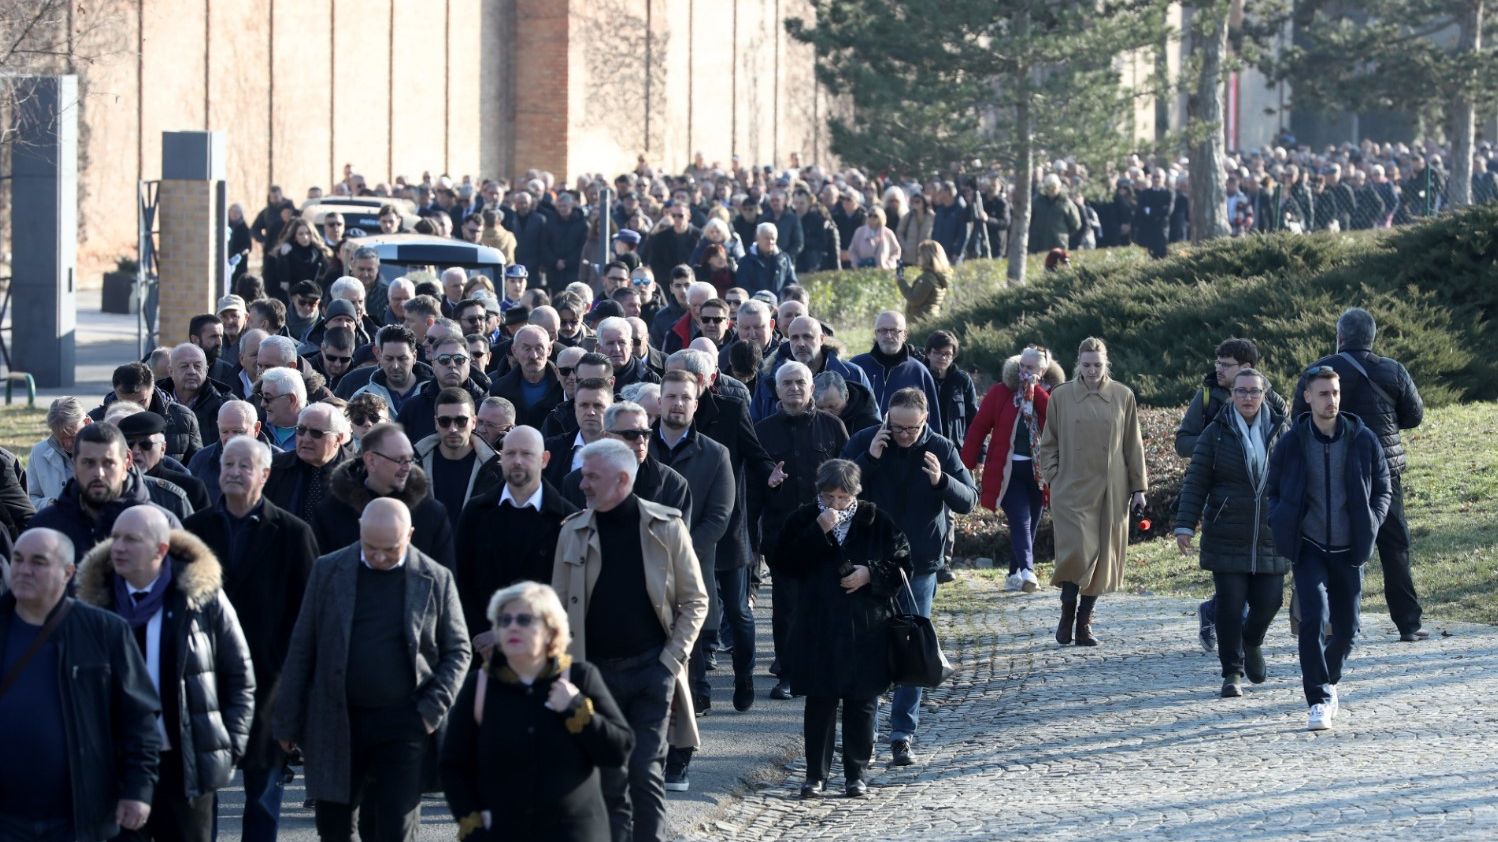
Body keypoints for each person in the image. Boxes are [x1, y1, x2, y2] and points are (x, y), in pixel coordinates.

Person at [274, 497, 471, 841]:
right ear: (360, 530)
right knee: (335, 828)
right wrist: (287, 719)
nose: (379, 557)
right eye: (371, 547)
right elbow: (303, 646)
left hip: (405, 723)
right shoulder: (328, 569)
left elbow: (458, 651)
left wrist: (430, 712)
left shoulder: (435, 578)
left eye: (390, 549)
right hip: (338, 720)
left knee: (394, 829)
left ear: (409, 534)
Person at [551, 439, 707, 842]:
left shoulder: (667, 527)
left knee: (643, 771)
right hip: (594, 676)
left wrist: (671, 660)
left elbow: (695, 600)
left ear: (622, 479)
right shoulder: (571, 532)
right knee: (608, 776)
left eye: (591, 477)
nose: (581, 484)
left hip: (651, 669)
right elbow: (555, 611)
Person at [75, 506, 255, 842]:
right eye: (115, 538)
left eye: (132, 539)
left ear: (160, 550)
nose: (118, 547)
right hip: (115, 766)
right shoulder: (95, 603)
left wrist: (227, 749)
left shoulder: (200, 598)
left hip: (183, 766)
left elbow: (240, 676)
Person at [181, 435, 316, 841]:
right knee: (201, 797)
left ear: (265, 474)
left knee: (261, 798)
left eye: (244, 466)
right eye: (228, 465)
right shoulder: (194, 530)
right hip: (203, 678)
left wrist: (296, 694)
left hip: (268, 684)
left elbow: (306, 618)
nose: (234, 473)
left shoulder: (293, 533)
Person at [0, 527, 161, 842]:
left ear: (67, 573)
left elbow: (140, 720)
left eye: (38, 562)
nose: (24, 570)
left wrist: (138, 790)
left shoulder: (105, 631)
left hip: (78, 817)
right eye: (18, 559)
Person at [441, 581, 633, 842]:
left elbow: (618, 750)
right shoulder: (480, 685)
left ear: (551, 631)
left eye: (524, 619)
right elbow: (454, 765)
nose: (513, 627)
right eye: (504, 620)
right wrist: (471, 825)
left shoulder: (580, 677)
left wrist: (576, 709)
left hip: (574, 834)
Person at [844, 388, 975, 766]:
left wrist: (941, 482)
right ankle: (863, 733)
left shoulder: (941, 447)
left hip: (918, 565)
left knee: (912, 648)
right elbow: (837, 488)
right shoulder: (869, 440)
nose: (902, 434)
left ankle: (902, 734)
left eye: (910, 429)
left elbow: (968, 499)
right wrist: (870, 459)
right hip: (869, 561)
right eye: (896, 426)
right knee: (868, 646)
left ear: (925, 421)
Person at [771, 459, 910, 798]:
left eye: (842, 497)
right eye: (828, 496)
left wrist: (870, 574)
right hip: (817, 624)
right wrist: (817, 531)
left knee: (862, 701)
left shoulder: (876, 520)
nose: (835, 504)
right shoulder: (803, 518)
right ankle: (814, 775)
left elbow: (904, 563)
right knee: (820, 701)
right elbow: (783, 563)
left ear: (855, 495)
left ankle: (855, 774)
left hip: (866, 626)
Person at [1267, 366, 1391, 730]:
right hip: (1309, 547)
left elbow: (1383, 487)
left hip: (1350, 548)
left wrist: (1372, 519)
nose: (1331, 400)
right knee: (1313, 620)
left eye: (1335, 393)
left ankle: (1330, 679)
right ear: (1308, 397)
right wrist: (1281, 519)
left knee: (1349, 629)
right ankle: (1319, 699)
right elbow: (1273, 490)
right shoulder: (1293, 442)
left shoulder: (1362, 438)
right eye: (1323, 393)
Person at [1292, 307, 1426, 642]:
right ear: (1372, 337)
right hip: (1385, 473)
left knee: (1335, 545)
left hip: (1332, 469)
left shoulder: (1318, 373)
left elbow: (1298, 419)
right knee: (1394, 547)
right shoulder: (1392, 371)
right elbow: (1414, 415)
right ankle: (1408, 624)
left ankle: (1341, 623)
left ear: (1339, 337)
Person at [1173, 368, 1290, 697]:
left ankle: (1252, 642)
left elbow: (1300, 478)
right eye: (1241, 391)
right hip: (1226, 531)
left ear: (1264, 394)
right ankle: (1231, 673)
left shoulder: (1283, 431)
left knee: (1270, 602)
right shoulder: (1217, 432)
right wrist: (1185, 523)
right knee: (1229, 604)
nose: (1248, 398)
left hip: (1272, 532)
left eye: (1254, 391)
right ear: (1232, 394)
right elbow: (1196, 480)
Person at [650, 371, 735, 789]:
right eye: (671, 397)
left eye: (686, 397)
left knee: (683, 671)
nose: (678, 404)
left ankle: (680, 754)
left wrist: (675, 552)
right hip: (639, 576)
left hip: (689, 576)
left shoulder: (714, 453)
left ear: (696, 403)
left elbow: (718, 517)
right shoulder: (638, 446)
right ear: (660, 401)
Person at [1034, 337, 1147, 647]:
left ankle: (1084, 623)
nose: (1092, 370)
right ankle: (1066, 614)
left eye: (1097, 364)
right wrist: (1053, 476)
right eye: (1086, 364)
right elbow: (1049, 441)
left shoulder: (1123, 396)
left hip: (1112, 487)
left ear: (1106, 364)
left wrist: (1138, 488)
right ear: (1077, 364)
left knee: (1102, 557)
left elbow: (1132, 444)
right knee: (1077, 552)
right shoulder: (1062, 395)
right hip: (1070, 487)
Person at [752, 361, 848, 699]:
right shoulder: (762, 430)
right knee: (787, 607)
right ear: (777, 390)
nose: (794, 388)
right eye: (787, 383)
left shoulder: (833, 427)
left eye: (800, 382)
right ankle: (788, 672)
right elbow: (751, 484)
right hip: (783, 536)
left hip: (829, 533)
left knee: (829, 601)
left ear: (811, 388)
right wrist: (769, 482)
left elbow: (850, 479)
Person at [454, 426, 578, 632]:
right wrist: (481, 634)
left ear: (544, 459)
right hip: (484, 648)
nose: (517, 461)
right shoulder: (475, 512)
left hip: (543, 647)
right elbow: (461, 579)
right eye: (510, 453)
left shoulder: (567, 518)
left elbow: (570, 593)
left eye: (527, 454)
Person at [962, 345, 1063, 592]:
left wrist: (1035, 390)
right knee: (1021, 519)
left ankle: (1013, 574)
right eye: (1022, 366)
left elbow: (1055, 421)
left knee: (1032, 523)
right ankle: (1028, 571)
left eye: (1031, 368)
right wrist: (964, 465)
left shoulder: (1052, 395)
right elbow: (978, 429)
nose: (1025, 372)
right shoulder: (1000, 392)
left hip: (1038, 472)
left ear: (1043, 371)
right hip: (1007, 471)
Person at [29, 422, 187, 562]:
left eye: (108, 463)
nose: (99, 473)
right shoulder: (46, 526)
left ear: (127, 462)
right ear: (74, 465)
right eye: (88, 462)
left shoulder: (162, 524)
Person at [314, 423, 455, 570]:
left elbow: (444, 582)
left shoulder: (431, 514)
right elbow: (321, 579)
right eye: (400, 460)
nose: (407, 467)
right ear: (371, 460)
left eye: (410, 460)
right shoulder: (331, 513)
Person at [413, 388, 503, 529]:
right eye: (445, 421)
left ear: (474, 422)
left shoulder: (496, 469)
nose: (453, 429)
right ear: (436, 422)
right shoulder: (414, 465)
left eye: (461, 421)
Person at [88, 362, 203, 464]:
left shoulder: (183, 418)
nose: (133, 408)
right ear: (116, 392)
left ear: (152, 389)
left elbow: (197, 465)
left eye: (141, 401)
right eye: (125, 403)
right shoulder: (96, 420)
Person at [263, 402, 355, 526]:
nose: (306, 439)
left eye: (316, 433)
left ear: (337, 439)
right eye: (301, 430)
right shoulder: (275, 467)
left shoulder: (356, 475)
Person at [851, 310, 943, 429]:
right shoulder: (857, 367)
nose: (889, 335)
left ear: (904, 335)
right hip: (862, 444)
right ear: (876, 334)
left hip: (906, 444)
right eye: (883, 330)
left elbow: (933, 422)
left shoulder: (919, 372)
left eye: (894, 331)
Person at [488, 325, 565, 429]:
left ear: (549, 350)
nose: (533, 356)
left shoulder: (564, 386)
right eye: (526, 349)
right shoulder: (499, 390)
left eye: (539, 348)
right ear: (514, 351)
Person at [29, 397, 91, 510]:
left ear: (86, 423)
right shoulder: (39, 452)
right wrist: (49, 504)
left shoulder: (107, 448)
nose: (67, 445)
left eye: (73, 437)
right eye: (60, 438)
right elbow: (29, 497)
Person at [898, 241, 951, 322]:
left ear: (927, 256)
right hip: (928, 320)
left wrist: (901, 281)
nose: (918, 257)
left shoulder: (928, 278)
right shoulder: (937, 276)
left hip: (921, 322)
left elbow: (914, 299)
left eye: (920, 254)